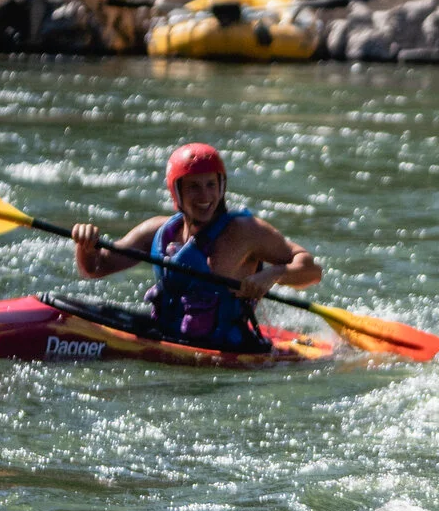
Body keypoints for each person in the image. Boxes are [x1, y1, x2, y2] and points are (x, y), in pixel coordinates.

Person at [69, 143, 321, 353]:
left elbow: (311, 269)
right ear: (176, 192)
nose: (205, 196)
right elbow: (95, 268)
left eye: (211, 185)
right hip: (168, 338)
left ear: (221, 187)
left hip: (231, 351)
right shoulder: (158, 231)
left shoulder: (245, 232)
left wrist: (274, 274)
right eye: (194, 187)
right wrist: (85, 245)